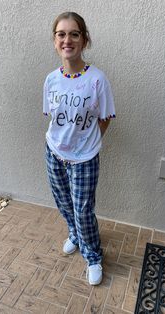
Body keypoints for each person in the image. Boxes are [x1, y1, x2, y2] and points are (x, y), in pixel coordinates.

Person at [43, 11, 115, 285]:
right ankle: (75, 234)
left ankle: (93, 255)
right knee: (63, 203)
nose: (67, 40)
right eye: (61, 34)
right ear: (55, 40)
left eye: (74, 34)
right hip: (54, 153)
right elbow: (54, 118)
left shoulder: (97, 79)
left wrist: (88, 142)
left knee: (83, 209)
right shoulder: (51, 80)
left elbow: (105, 117)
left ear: (84, 40)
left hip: (85, 158)